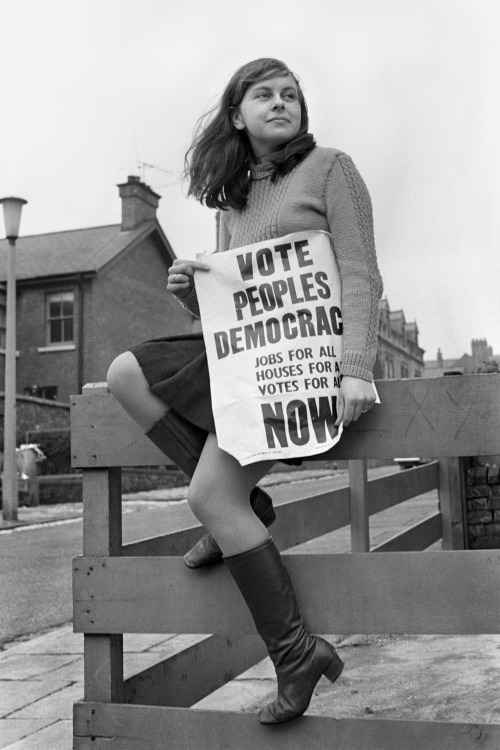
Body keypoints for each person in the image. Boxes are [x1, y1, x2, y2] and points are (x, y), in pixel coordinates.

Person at [107, 57, 383, 725]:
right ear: (238, 113)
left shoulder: (333, 169)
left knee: (208, 495)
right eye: (265, 95)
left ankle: (296, 653)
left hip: (304, 362)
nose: (281, 103)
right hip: (247, 359)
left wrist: (355, 367)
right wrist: (190, 293)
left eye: (291, 94)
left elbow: (360, 273)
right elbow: (234, 309)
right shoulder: (232, 199)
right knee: (124, 373)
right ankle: (247, 506)